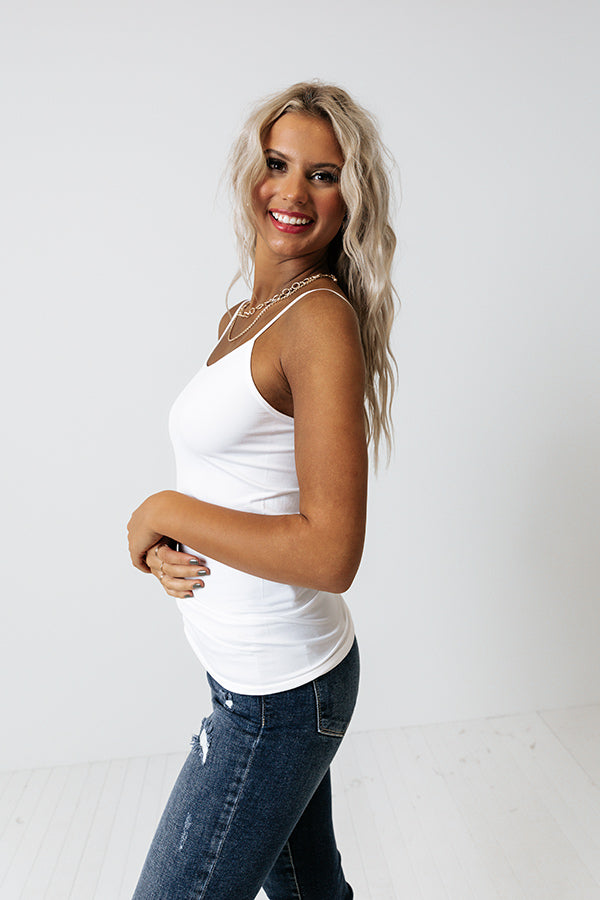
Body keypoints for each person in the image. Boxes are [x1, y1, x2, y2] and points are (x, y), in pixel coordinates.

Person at [127, 80, 398, 900]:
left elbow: (329, 552)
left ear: (350, 199)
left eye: (323, 175)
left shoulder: (316, 321)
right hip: (252, 677)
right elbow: (242, 487)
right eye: (278, 163)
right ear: (251, 168)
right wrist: (172, 547)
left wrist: (163, 511)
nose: (292, 192)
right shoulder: (248, 316)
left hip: (276, 698)